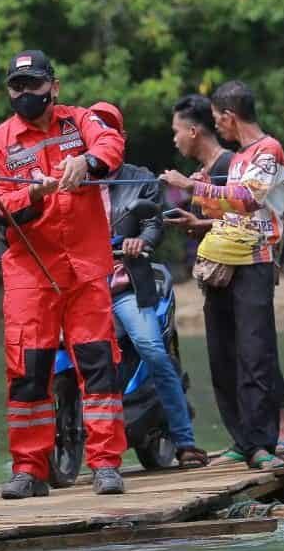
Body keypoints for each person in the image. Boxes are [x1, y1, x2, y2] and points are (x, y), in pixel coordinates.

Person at [0, 49, 128, 498]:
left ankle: (105, 464)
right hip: (29, 276)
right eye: (17, 87)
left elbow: (111, 145)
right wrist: (35, 197)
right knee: (28, 372)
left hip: (85, 270)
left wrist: (89, 163)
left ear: (53, 87)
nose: (26, 94)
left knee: (100, 366)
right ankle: (29, 470)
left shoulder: (80, 121)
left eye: (34, 85)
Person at [160, 81, 284, 470]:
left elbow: (249, 200)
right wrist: (199, 222)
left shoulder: (269, 151)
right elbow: (229, 213)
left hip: (255, 262)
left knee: (255, 352)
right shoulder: (236, 159)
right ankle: (242, 440)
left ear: (230, 117)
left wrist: (190, 185)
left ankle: (262, 443)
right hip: (221, 266)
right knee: (223, 354)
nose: (219, 127)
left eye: (219, 120)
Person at [89, 101, 207, 468]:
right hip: (81, 287)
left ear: (120, 138)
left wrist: (142, 241)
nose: (102, 136)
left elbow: (153, 223)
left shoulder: (140, 178)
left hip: (126, 282)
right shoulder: (72, 181)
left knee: (152, 349)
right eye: (95, 130)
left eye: (110, 130)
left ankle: (185, 441)